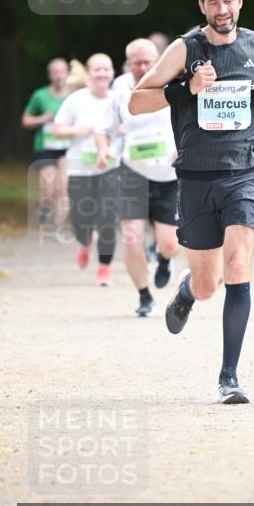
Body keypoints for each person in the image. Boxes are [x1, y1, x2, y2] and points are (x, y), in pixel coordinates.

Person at [128, 0, 254, 404]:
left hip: (244, 172)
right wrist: (185, 88)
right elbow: (138, 101)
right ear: (202, 5)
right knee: (209, 283)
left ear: (239, 1)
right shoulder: (184, 49)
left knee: (238, 267)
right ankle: (187, 291)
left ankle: (229, 376)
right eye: (213, 1)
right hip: (195, 177)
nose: (222, 8)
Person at [96, 39, 181, 318]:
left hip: (169, 175)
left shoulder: (173, 84)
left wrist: (185, 148)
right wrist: (104, 149)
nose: (143, 67)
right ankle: (144, 296)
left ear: (157, 60)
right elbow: (103, 129)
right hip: (132, 173)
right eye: (137, 62)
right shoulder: (119, 92)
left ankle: (165, 260)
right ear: (128, 63)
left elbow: (192, 121)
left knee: (170, 243)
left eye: (148, 62)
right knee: (132, 237)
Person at [51, 53, 119, 286]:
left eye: (106, 69)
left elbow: (132, 127)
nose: (102, 73)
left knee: (108, 218)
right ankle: (84, 241)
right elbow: (56, 129)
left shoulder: (119, 99)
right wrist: (78, 130)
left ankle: (104, 267)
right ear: (89, 73)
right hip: (79, 168)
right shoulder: (76, 100)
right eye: (97, 69)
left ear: (113, 73)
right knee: (81, 219)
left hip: (111, 168)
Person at [21, 58, 70, 232]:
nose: (59, 76)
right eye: (55, 72)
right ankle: (46, 205)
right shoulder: (39, 95)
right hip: (46, 146)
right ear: (50, 75)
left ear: (67, 74)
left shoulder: (75, 95)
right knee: (49, 186)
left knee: (63, 187)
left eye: (62, 71)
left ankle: (57, 226)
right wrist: (42, 118)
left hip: (67, 147)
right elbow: (25, 120)